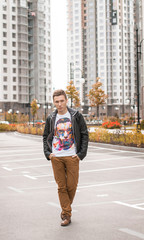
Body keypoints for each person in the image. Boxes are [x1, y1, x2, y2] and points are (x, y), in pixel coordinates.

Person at [43, 89, 88, 226]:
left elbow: (84, 134)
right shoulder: (51, 118)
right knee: (61, 187)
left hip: (72, 156)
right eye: (57, 101)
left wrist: (81, 154)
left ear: (66, 100)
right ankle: (66, 214)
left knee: (72, 185)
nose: (60, 104)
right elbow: (46, 137)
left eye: (62, 101)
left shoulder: (76, 115)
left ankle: (65, 210)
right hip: (56, 156)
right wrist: (48, 153)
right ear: (54, 102)